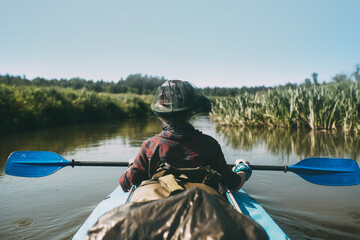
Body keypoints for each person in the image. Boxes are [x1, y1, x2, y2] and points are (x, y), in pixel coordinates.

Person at [119, 80, 252, 193]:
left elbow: (126, 184)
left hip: (161, 211)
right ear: (190, 113)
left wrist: (133, 165)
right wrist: (243, 169)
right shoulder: (209, 145)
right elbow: (233, 184)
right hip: (202, 211)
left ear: (161, 114)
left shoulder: (150, 146)